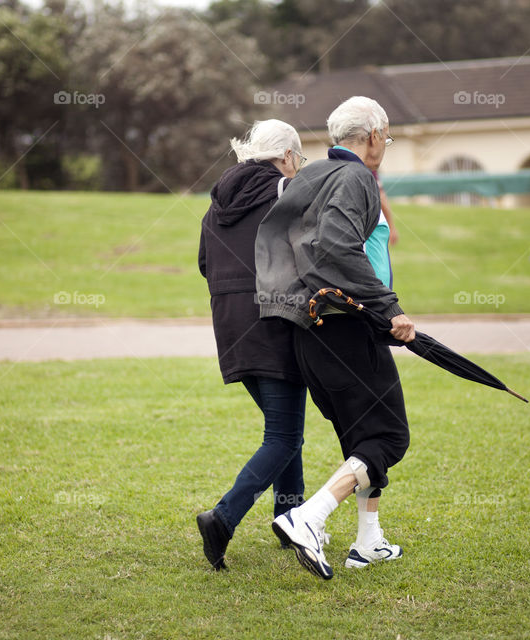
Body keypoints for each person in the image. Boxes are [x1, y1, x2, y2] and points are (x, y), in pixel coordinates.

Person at [255, 96, 414, 580]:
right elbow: (335, 249)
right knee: (389, 436)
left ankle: (368, 542)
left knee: (361, 440)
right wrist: (390, 309)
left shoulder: (308, 176)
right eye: (385, 136)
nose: (385, 144)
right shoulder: (356, 177)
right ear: (371, 136)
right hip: (346, 326)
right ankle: (309, 516)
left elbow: (273, 243)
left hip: (309, 332)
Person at [196, 120, 310, 570]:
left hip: (230, 326)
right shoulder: (285, 191)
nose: (298, 168)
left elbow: (205, 264)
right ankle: (222, 518)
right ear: (285, 157)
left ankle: (289, 519)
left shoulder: (216, 203)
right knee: (283, 435)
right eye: (298, 160)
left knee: (285, 432)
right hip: (275, 322)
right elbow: (309, 253)